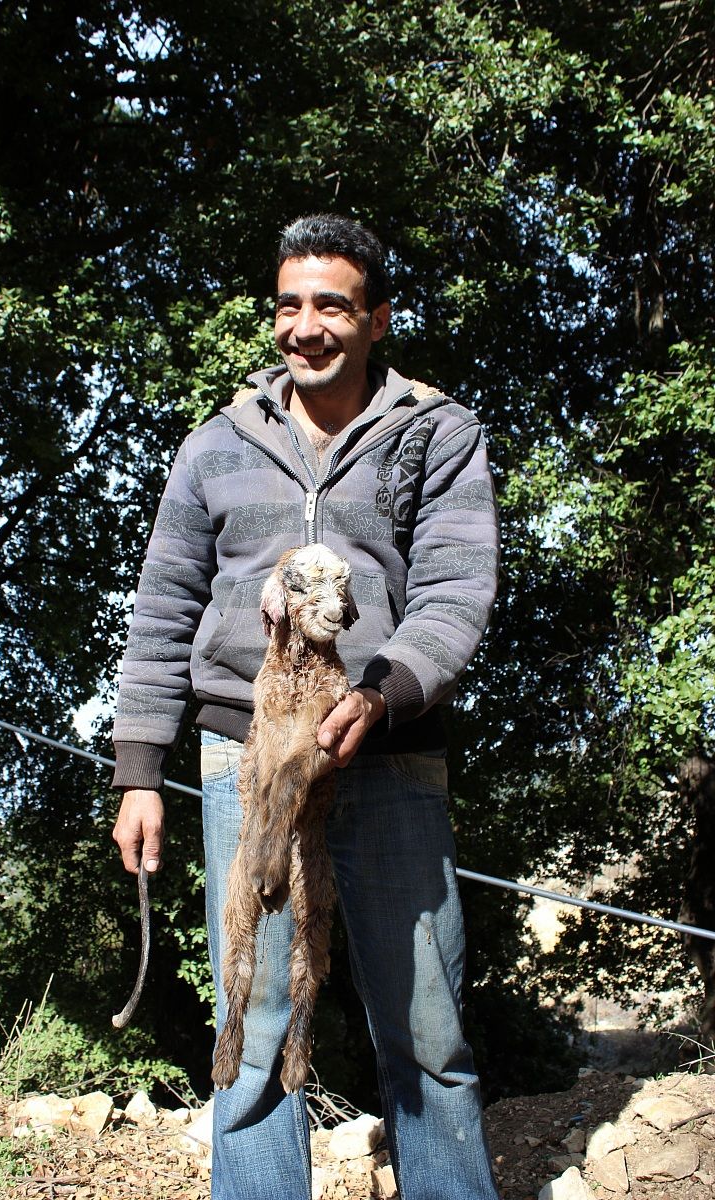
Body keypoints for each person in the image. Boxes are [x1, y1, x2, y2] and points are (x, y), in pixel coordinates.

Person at [111, 214, 501, 1200]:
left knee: (426, 1032)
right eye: (289, 304)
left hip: (391, 759)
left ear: (376, 319)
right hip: (244, 764)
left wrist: (384, 691)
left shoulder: (437, 434)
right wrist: (139, 772)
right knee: (251, 1027)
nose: (305, 324)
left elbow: (455, 593)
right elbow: (161, 608)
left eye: (331, 304)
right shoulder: (214, 446)